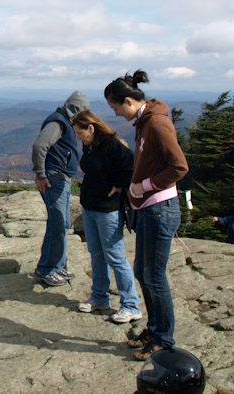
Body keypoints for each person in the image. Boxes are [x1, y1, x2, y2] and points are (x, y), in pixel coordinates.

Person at [104, 70, 188, 361]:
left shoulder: (157, 123)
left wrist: (144, 186)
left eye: (116, 107)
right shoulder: (145, 121)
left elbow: (179, 167)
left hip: (159, 209)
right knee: (143, 272)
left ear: (128, 100)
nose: (115, 114)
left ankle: (164, 340)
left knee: (153, 276)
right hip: (149, 208)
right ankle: (154, 330)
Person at [71, 110, 142, 324]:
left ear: (91, 128)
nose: (78, 137)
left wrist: (121, 186)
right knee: (96, 254)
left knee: (115, 256)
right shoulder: (90, 145)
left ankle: (131, 305)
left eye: (79, 132)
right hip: (90, 206)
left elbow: (132, 166)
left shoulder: (112, 145)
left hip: (108, 209)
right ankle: (99, 298)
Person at [31, 91, 90, 286]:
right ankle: (47, 270)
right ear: (76, 109)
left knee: (62, 224)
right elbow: (40, 146)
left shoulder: (64, 121)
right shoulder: (58, 122)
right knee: (58, 224)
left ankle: (58, 266)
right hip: (54, 178)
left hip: (60, 178)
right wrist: (41, 174)